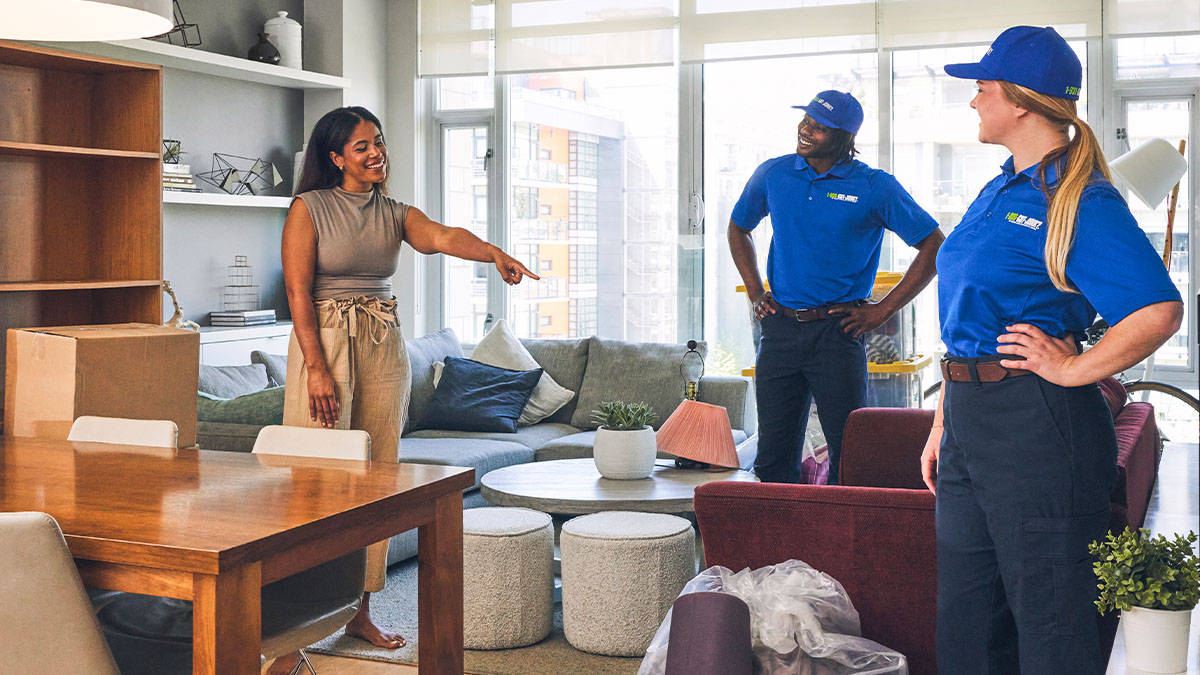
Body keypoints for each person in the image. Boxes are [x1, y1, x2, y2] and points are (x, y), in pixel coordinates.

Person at [924, 26, 1184, 673]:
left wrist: (1072, 368)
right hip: (968, 425)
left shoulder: (1080, 197)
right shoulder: (999, 188)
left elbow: (1157, 310)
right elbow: (968, 321)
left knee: (1052, 630)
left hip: (1038, 427)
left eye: (983, 87)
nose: (974, 99)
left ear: (1020, 100)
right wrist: (942, 421)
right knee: (966, 627)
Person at [273, 106, 537, 674]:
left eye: (379, 142)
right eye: (362, 146)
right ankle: (290, 629)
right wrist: (316, 367)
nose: (376, 153)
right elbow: (297, 293)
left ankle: (359, 612)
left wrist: (493, 253)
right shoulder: (308, 208)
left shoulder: (394, 212)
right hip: (326, 344)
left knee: (378, 480)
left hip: (381, 342)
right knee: (314, 484)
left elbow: (442, 236)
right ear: (336, 157)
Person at [728, 90, 944, 485]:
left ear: (845, 138)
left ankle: (838, 526)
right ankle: (777, 526)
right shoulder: (774, 174)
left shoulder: (875, 187)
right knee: (773, 456)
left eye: (819, 127)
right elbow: (738, 227)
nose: (805, 130)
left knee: (850, 456)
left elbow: (934, 245)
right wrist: (756, 292)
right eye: (806, 120)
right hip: (780, 331)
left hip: (837, 333)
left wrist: (882, 310)